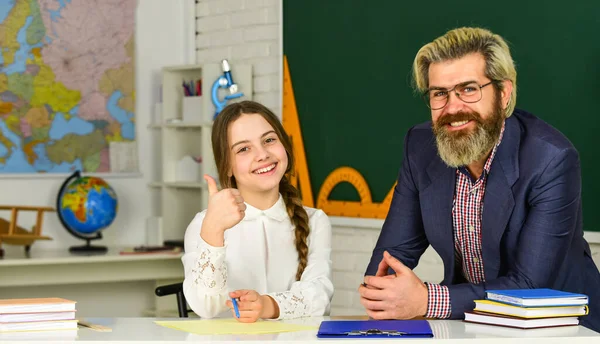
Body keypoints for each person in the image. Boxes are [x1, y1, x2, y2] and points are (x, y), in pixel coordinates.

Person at [359, 27, 600, 332]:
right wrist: (384, 293)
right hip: (471, 324)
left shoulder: (551, 159)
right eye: (439, 94)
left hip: (563, 328)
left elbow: (530, 285)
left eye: (469, 89)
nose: (453, 108)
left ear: (503, 93)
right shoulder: (420, 147)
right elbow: (391, 255)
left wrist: (426, 300)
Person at [181, 100, 333, 322]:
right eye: (243, 149)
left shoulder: (315, 221)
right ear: (227, 166)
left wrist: (268, 305)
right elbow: (205, 306)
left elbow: (319, 296)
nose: (262, 154)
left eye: (269, 140)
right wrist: (213, 232)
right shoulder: (203, 224)